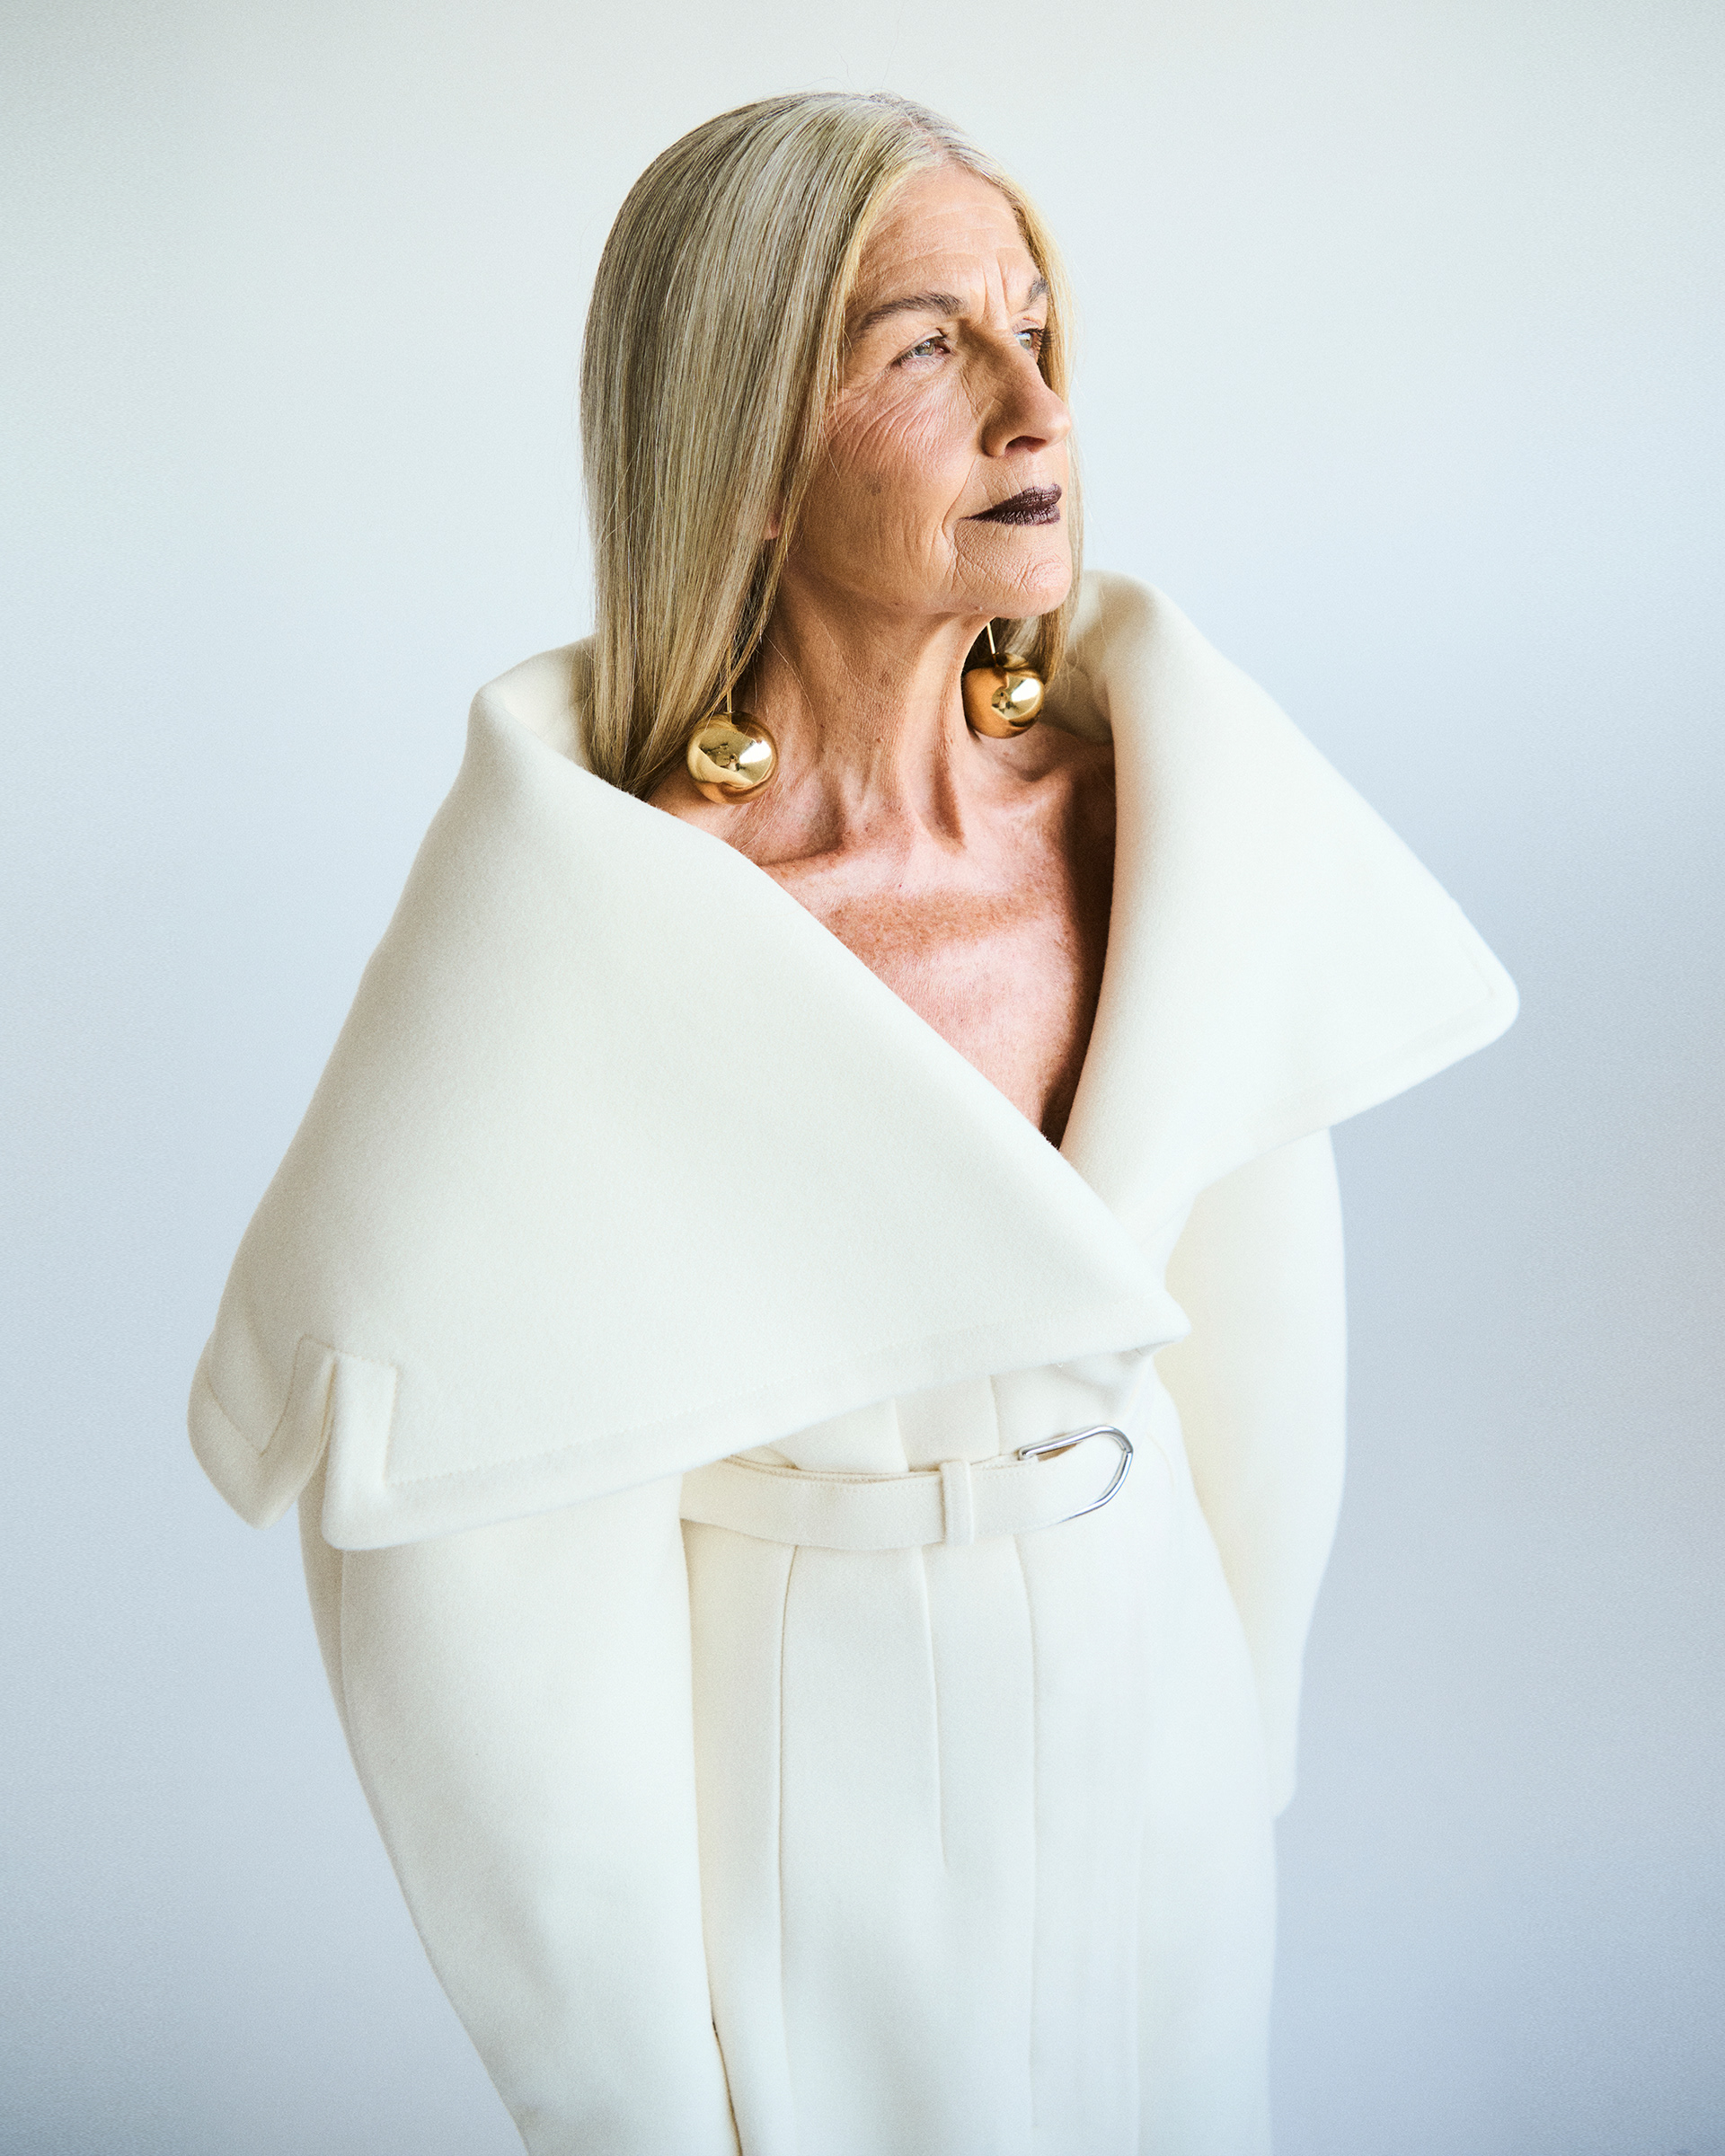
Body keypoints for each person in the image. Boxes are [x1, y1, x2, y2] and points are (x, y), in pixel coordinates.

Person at [190, 92, 1517, 2156]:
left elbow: (1264, 1360)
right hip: (817, 1808)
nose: (1034, 407)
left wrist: (1233, 1743)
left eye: (1037, 329)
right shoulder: (606, 935)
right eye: (926, 345)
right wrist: (632, 2093)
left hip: (1158, 1759)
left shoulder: (1183, 829)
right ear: (743, 447)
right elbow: (492, 1605)